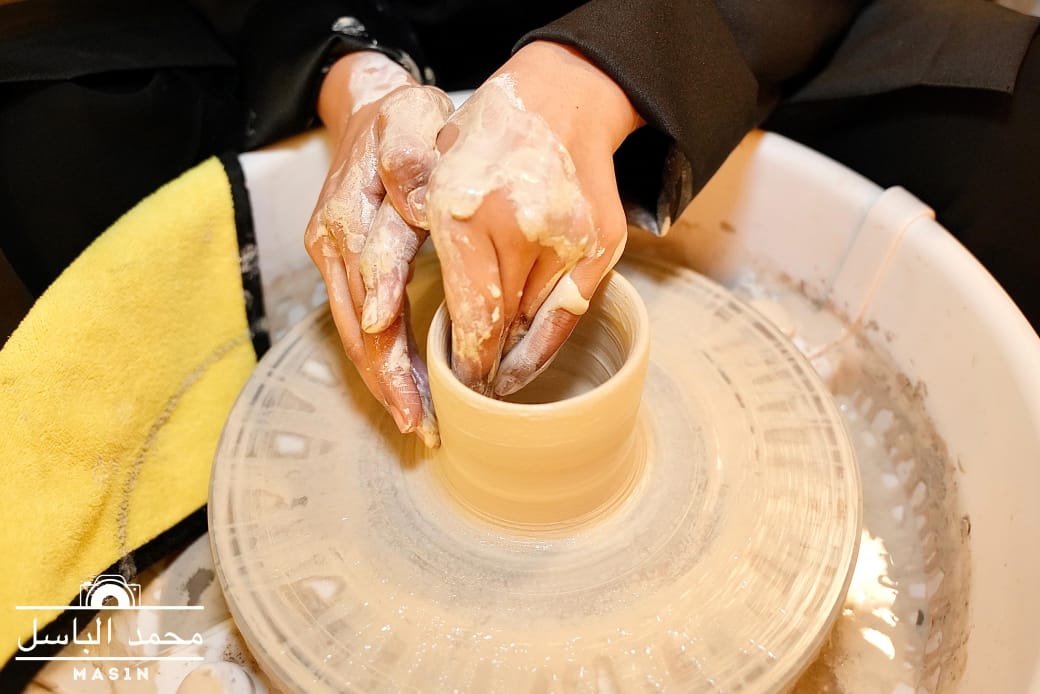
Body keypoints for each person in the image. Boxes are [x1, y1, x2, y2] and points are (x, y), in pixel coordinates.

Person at [2, 0, 1038, 444]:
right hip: (370, 16)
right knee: (52, 129)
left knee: (1009, 126)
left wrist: (608, 62)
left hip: (667, 24)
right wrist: (352, 76)